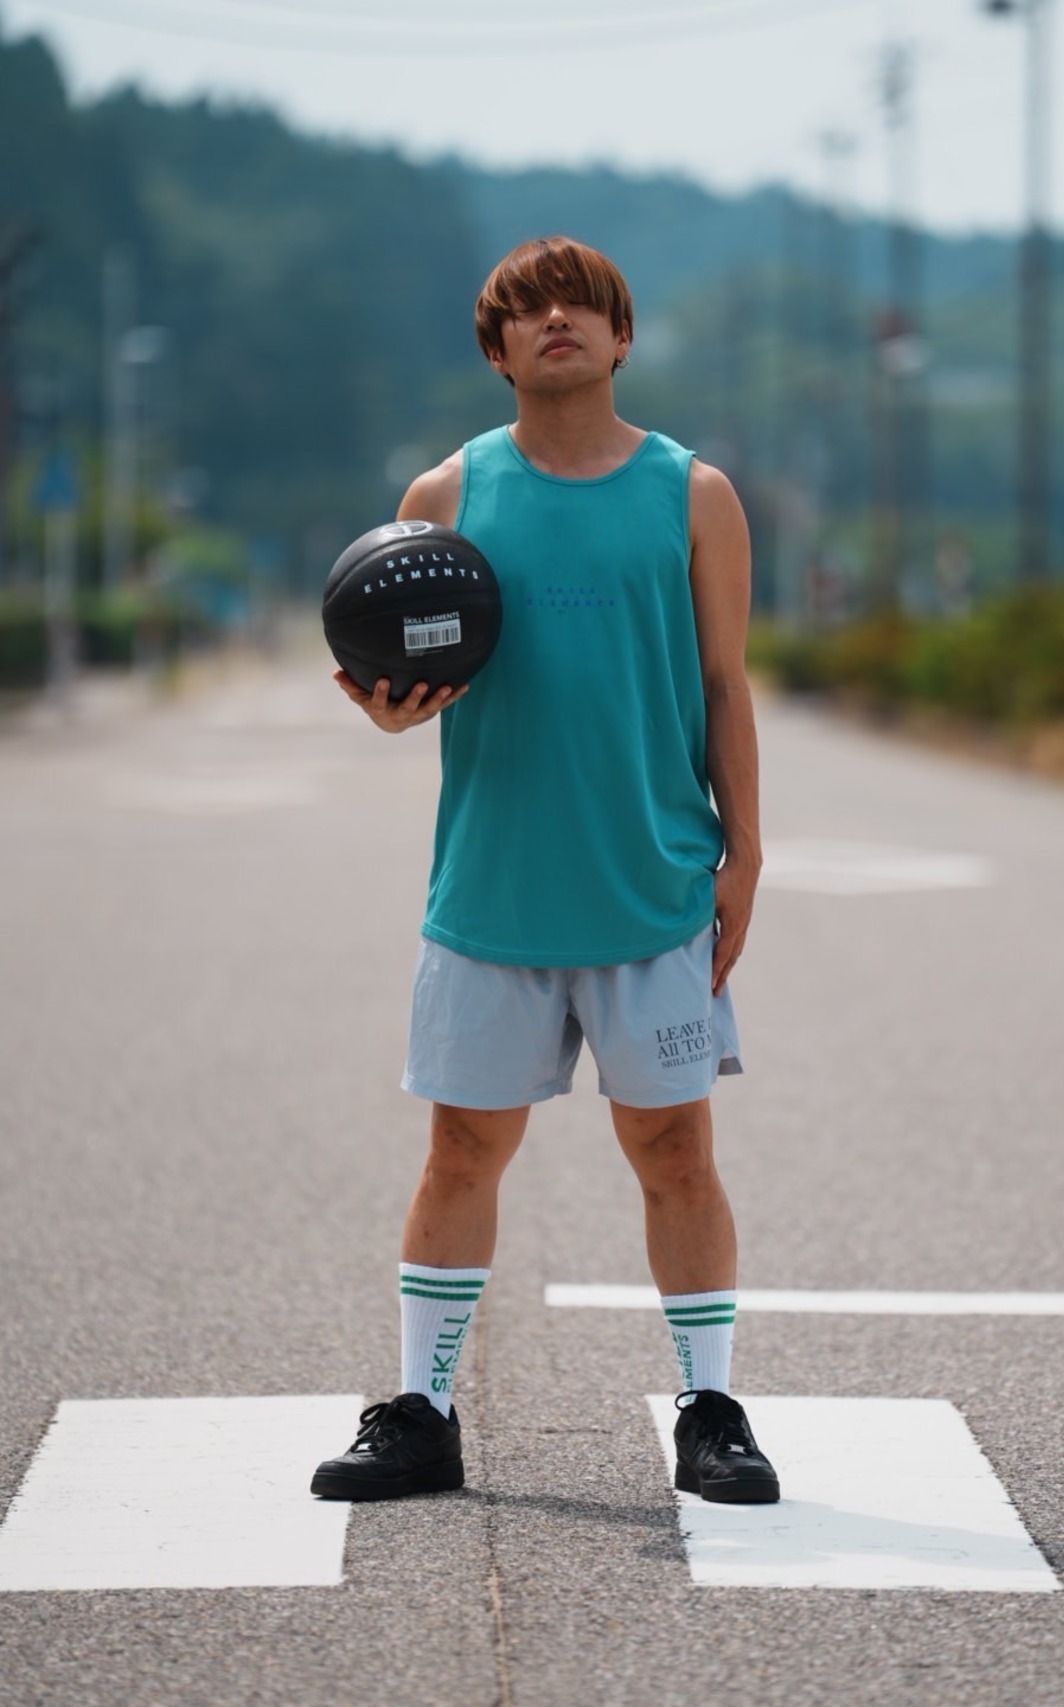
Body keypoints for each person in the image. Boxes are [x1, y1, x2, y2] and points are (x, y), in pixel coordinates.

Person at [311, 236, 778, 1506]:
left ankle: (711, 1410)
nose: (555, 318)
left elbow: (725, 685)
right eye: (527, 309)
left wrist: (743, 852)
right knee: (460, 1150)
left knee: (674, 1149)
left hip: (652, 887)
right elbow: (404, 669)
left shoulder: (694, 494)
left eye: (581, 305)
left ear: (621, 338)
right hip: (492, 893)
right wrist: (393, 710)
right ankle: (421, 1412)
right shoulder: (445, 495)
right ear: (497, 350)